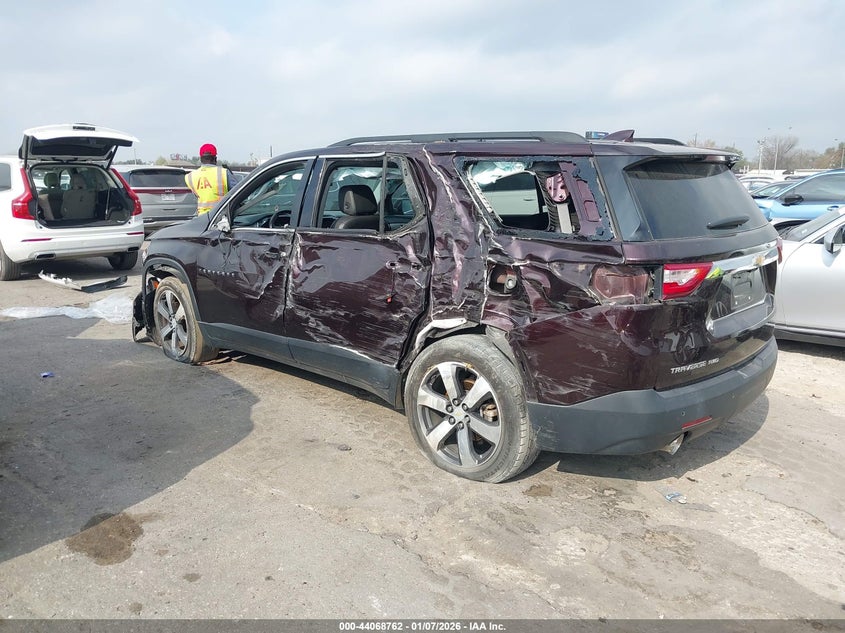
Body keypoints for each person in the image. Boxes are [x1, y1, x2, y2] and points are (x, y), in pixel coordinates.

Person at [184, 143, 232, 215]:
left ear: (200, 159)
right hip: (221, 215)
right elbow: (238, 192)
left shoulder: (190, 176)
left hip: (202, 218)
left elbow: (197, 195)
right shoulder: (224, 173)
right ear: (215, 158)